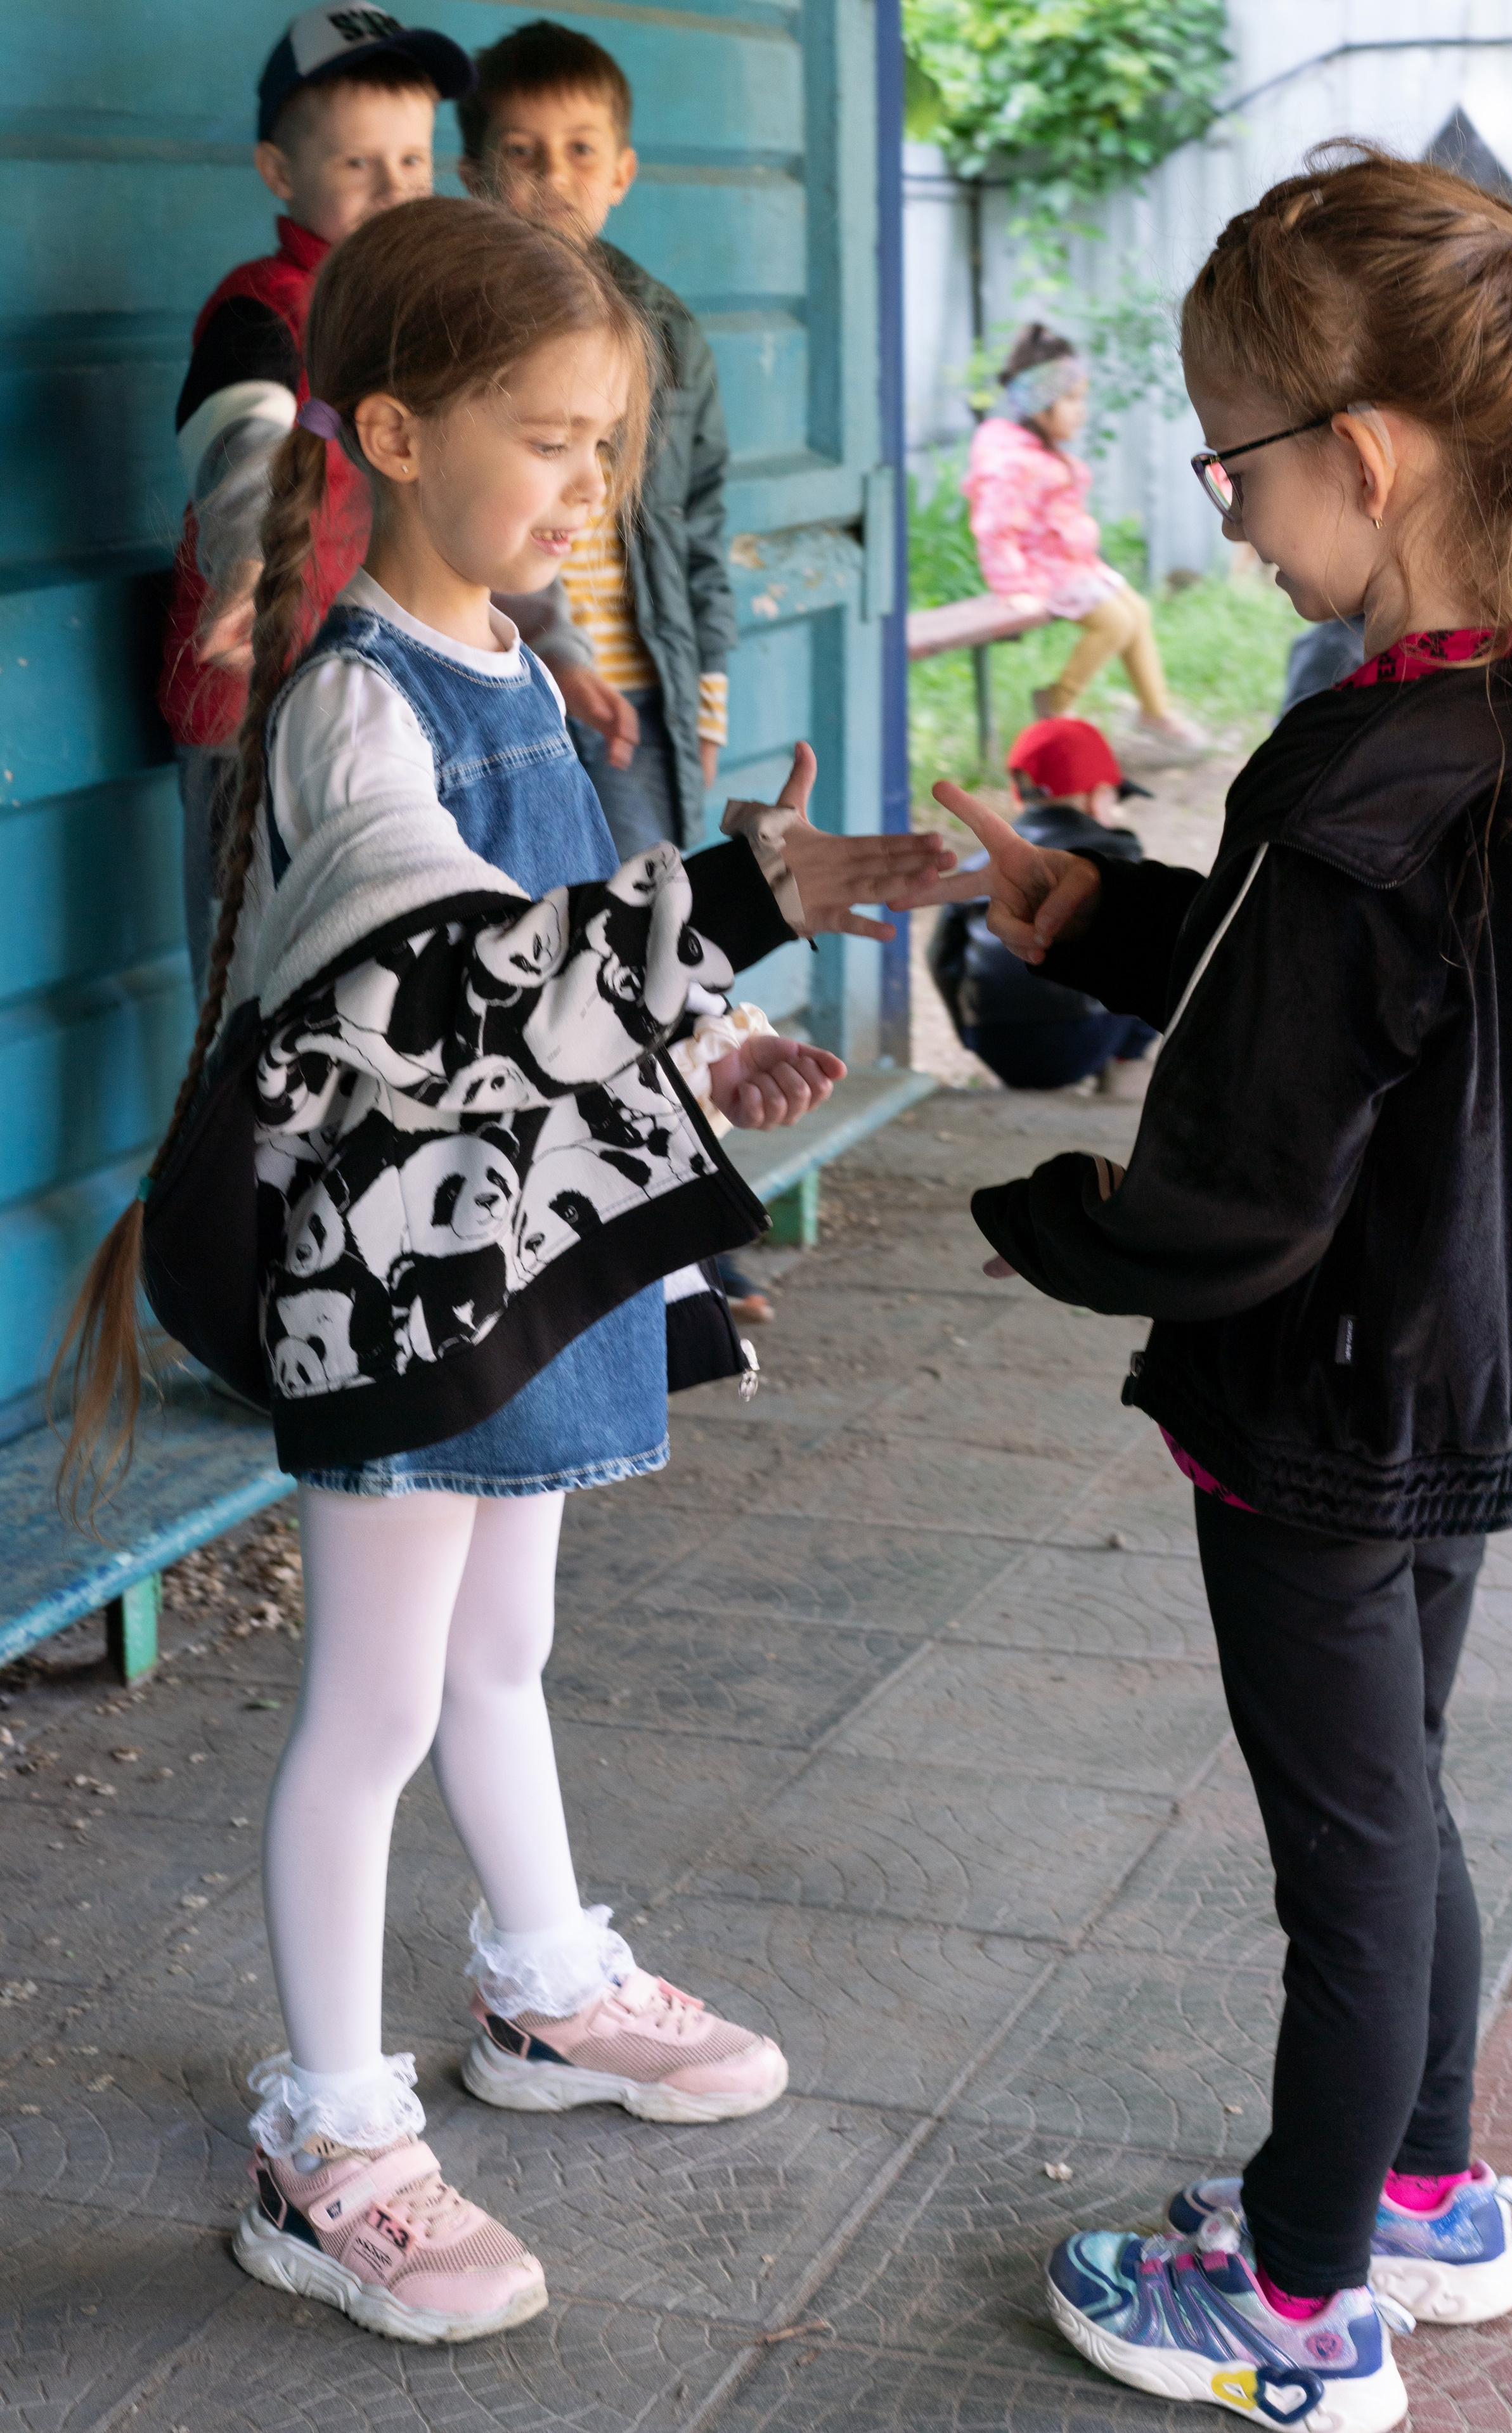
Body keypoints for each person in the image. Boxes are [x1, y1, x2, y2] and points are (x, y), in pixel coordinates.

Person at [59, 198, 950, 2346]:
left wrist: (718, 1026)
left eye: (605, 446)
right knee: (367, 1702)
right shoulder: (353, 711)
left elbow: (571, 965)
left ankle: (542, 1985)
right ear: (392, 429)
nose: (586, 487)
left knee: (505, 1648)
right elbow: (463, 973)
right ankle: (331, 2132)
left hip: (532, 1265)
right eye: (548, 438)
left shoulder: (531, 671)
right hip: (407, 1293)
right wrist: (737, 896)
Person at [892, 153, 1512, 2428]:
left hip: (1318, 1395)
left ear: (1362, 457)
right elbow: (1305, 995)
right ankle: (1421, 2186)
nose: (1214, 521)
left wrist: (1046, 1224)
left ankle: (1302, 2301)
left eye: (1225, 462)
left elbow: (1244, 1167)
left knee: (1346, 1851)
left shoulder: (1352, 769)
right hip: (1493, 1364)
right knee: (1399, 1792)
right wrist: (1088, 914)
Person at [158, 3, 476, 998]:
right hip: (254, 698)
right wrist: (248, 558)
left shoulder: (421, 324)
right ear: (279, 172)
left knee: (374, 978)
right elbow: (245, 441)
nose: (395, 191)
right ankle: (222, 1154)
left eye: (414, 163)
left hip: (382, 706)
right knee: (250, 987)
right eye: (358, 166)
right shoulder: (266, 306)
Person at [458, 19, 734, 856]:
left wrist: (706, 698)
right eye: (522, 152)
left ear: (621, 171)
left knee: (643, 921)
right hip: (501, 688)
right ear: (473, 176)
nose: (553, 176)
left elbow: (700, 521)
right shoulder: (451, 324)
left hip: (636, 694)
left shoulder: (666, 332)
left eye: (581, 150)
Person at [963, 324, 1205, 765]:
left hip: (1068, 566)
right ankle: (1055, 703)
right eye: (1071, 400)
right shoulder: (1014, 463)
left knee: (1137, 611)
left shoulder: (1044, 454)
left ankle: (1155, 712)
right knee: (1114, 622)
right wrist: (1013, 587)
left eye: (1082, 398)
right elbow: (994, 529)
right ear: (1039, 405)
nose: (1081, 411)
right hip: (1037, 574)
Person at [927, 718, 1158, 1093]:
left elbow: (942, 957)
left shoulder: (982, 867)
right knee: (1153, 933)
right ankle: (1125, 1064)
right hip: (1087, 1041)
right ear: (1098, 797)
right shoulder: (1118, 862)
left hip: (995, 1041)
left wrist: (970, 1031)